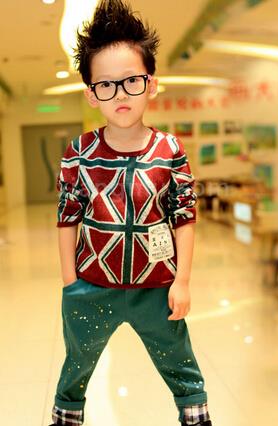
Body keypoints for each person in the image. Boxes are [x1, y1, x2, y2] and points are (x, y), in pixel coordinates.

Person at [50, 1, 211, 425]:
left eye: (131, 81)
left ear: (151, 84)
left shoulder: (169, 149)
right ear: (91, 93)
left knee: (182, 366)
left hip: (156, 288)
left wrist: (182, 280)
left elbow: (184, 216)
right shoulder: (78, 152)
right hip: (91, 286)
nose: (120, 93)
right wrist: (70, 284)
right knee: (76, 368)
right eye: (106, 84)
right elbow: (67, 218)